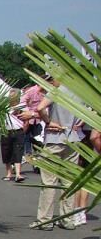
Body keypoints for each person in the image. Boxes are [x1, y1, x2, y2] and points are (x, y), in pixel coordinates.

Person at [30, 77, 82, 229]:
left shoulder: (57, 91)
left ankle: (45, 220)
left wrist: (48, 121)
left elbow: (40, 108)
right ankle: (67, 219)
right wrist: (77, 124)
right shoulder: (79, 93)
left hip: (55, 138)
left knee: (49, 181)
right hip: (72, 139)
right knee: (69, 181)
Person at [1, 91, 27, 183]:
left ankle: (18, 174)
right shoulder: (4, 106)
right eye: (11, 95)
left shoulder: (22, 106)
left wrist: (24, 129)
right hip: (6, 131)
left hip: (18, 130)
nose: (12, 97)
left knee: (18, 151)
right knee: (6, 152)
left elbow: (26, 118)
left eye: (14, 95)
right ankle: (8, 173)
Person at [20, 82, 44, 160]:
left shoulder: (46, 92)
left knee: (37, 138)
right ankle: (28, 153)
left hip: (39, 119)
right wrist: (27, 111)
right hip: (29, 118)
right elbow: (22, 101)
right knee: (27, 137)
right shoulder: (31, 90)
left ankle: (38, 154)